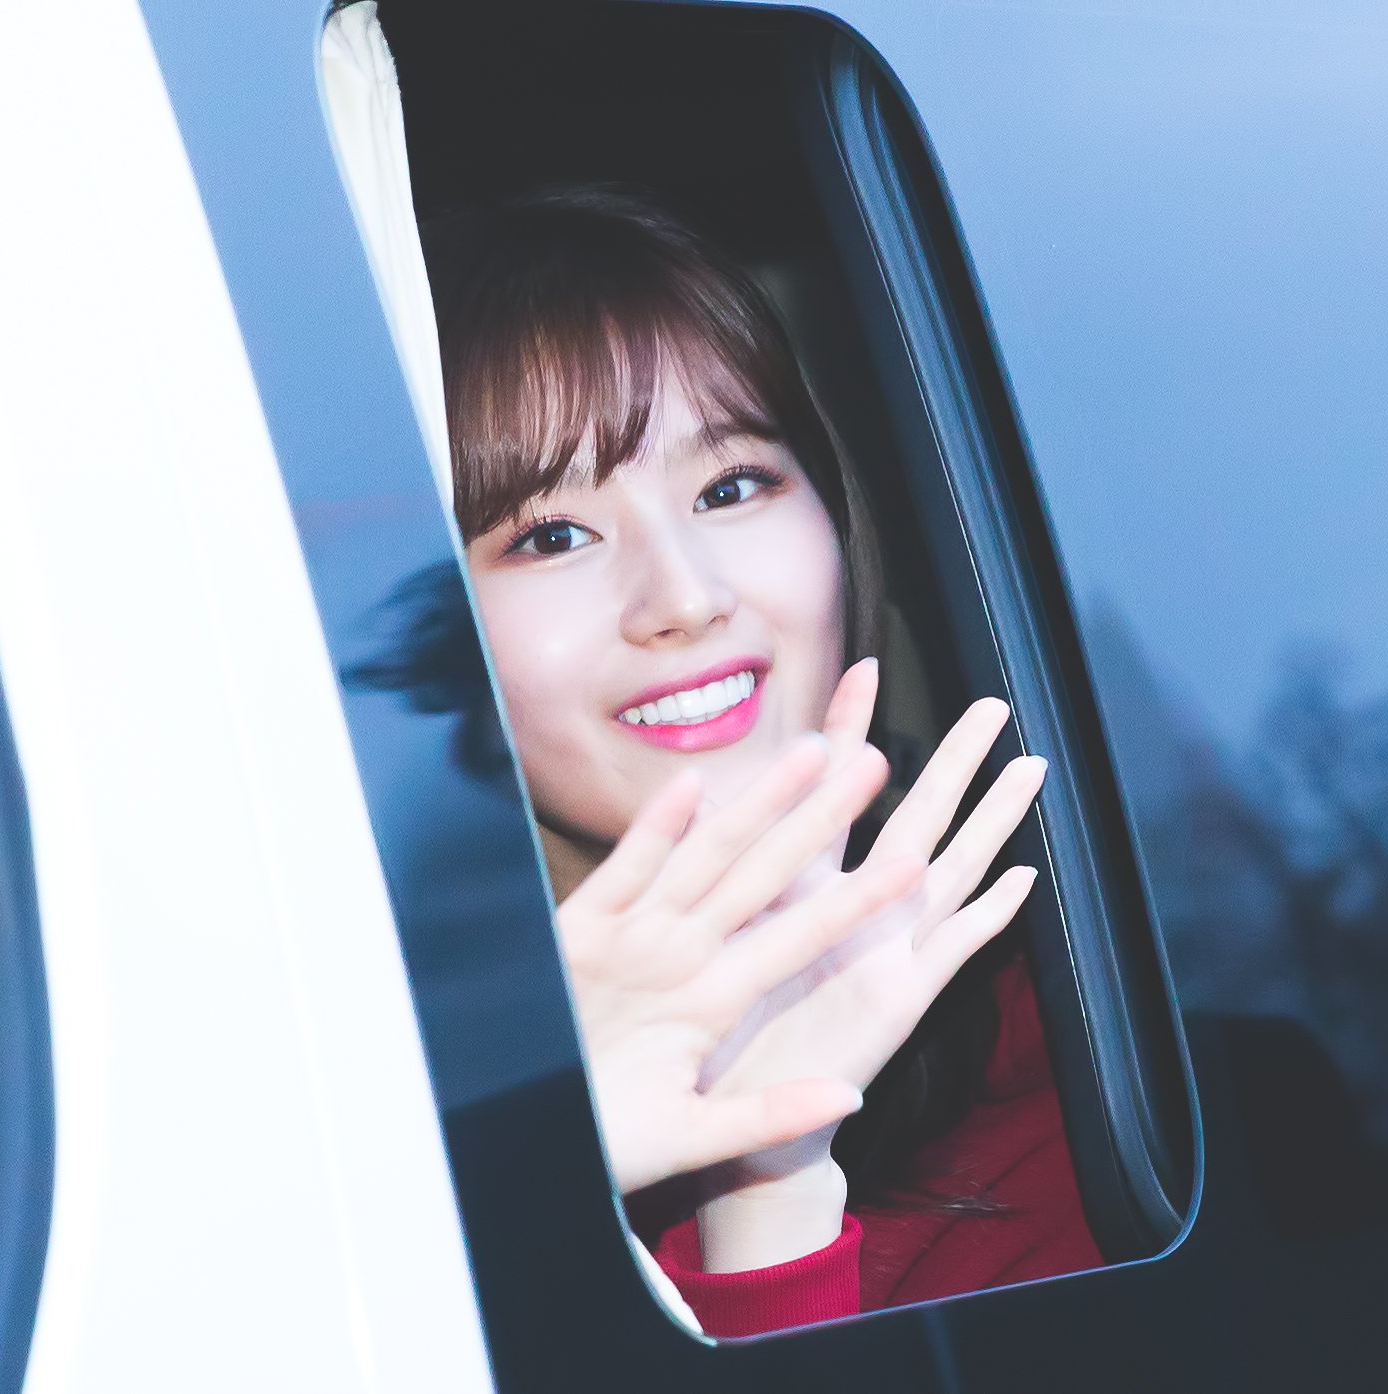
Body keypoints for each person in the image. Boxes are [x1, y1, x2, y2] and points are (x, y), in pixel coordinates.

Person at [421, 185, 1102, 1336]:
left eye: (730, 486)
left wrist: (770, 1173)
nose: (685, 597)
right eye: (549, 534)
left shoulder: (1092, 1073)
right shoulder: (349, 1134)